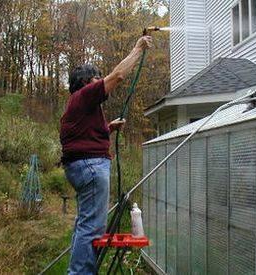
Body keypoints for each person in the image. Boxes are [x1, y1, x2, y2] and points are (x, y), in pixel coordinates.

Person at [60, 35, 153, 275]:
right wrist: (137, 49)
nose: (100, 80)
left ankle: (79, 270)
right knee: (92, 227)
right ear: (85, 82)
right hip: (90, 167)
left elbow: (81, 137)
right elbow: (118, 76)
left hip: (82, 167)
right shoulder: (84, 95)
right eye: (96, 78)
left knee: (85, 224)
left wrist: (108, 128)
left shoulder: (80, 105)